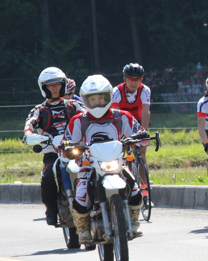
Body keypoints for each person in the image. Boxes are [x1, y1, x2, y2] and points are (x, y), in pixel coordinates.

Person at [64, 75, 150, 243]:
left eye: (101, 98)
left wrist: (141, 137)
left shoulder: (121, 116)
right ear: (85, 100)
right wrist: (68, 148)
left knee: (135, 191)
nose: (97, 103)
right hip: (89, 165)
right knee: (81, 197)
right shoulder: (78, 120)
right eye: (93, 99)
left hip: (117, 164)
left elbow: (140, 134)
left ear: (109, 96)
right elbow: (66, 144)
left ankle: (133, 220)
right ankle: (83, 228)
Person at [23, 67, 85, 226]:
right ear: (44, 88)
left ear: (63, 85)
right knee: (48, 176)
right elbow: (30, 124)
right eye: (51, 85)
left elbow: (88, 116)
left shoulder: (74, 105)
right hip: (53, 152)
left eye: (58, 84)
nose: (55, 88)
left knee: (90, 171)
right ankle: (51, 209)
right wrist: (28, 134)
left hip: (76, 151)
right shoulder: (39, 110)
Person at [111, 63, 151, 205]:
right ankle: (123, 186)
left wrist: (143, 133)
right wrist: (120, 135)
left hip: (137, 122)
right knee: (119, 152)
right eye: (131, 79)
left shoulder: (145, 90)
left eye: (137, 79)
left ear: (141, 80)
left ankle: (146, 192)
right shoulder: (116, 91)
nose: (134, 82)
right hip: (120, 121)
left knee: (141, 151)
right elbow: (115, 114)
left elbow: (146, 112)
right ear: (124, 79)